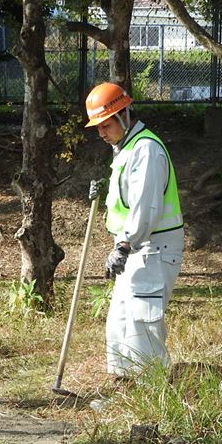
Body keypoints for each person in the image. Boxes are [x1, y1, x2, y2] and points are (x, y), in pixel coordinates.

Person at [84, 82, 183, 376]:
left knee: (142, 325)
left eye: (106, 124)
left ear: (124, 114)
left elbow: (146, 208)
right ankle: (124, 389)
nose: (101, 132)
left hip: (154, 248)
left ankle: (153, 396)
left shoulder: (146, 149)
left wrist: (124, 245)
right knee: (120, 322)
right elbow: (126, 201)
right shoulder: (125, 149)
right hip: (137, 249)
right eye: (97, 127)